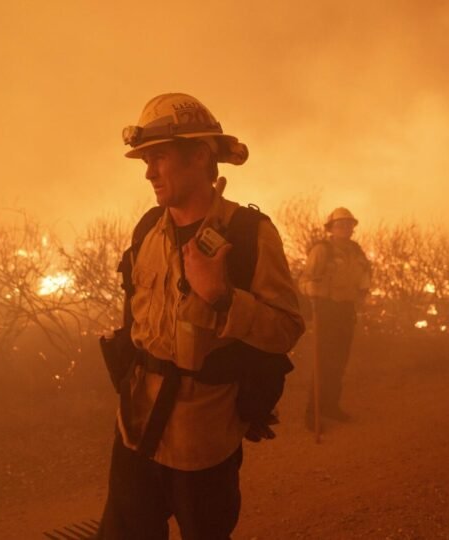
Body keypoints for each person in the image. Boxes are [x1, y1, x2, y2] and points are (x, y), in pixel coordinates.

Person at [97, 93, 305, 539]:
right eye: (145, 161)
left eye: (159, 157)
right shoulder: (147, 230)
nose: (149, 171)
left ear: (199, 156)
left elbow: (287, 327)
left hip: (203, 440)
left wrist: (223, 297)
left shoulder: (250, 234)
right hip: (135, 427)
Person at [299, 207, 371, 430]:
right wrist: (311, 289)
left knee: (339, 362)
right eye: (341, 225)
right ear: (331, 228)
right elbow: (304, 279)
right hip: (326, 309)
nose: (346, 228)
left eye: (349, 225)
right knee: (323, 361)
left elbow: (364, 276)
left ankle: (331, 406)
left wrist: (363, 292)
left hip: (346, 310)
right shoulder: (322, 250)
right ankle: (313, 413)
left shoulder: (356, 251)